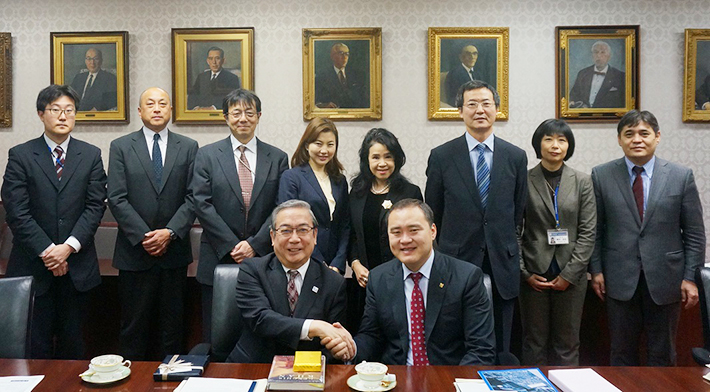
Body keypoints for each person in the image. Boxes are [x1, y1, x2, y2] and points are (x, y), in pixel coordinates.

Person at [590, 110, 705, 366]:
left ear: (657, 137)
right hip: (618, 279)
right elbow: (595, 229)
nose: (637, 140)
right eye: (629, 134)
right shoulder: (602, 175)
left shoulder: (680, 175)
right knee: (621, 352)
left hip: (667, 279)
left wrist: (690, 277)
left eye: (644, 133)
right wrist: (596, 270)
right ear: (619, 139)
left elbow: (695, 233)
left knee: (663, 353)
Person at [1, 84, 107, 358]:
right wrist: (49, 251)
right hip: (33, 267)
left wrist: (67, 248)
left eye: (69, 110)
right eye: (55, 110)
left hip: (77, 269)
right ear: (41, 114)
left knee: (76, 349)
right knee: (34, 349)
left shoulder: (91, 155)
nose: (63, 116)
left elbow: (95, 206)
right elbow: (16, 211)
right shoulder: (21, 155)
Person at [425, 80, 527, 354]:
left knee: (501, 341)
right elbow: (433, 212)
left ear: (497, 109)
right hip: (456, 259)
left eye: (486, 104)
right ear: (460, 111)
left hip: (501, 262)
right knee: (456, 337)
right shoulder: (442, 156)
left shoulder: (516, 157)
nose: (479, 110)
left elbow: (518, 211)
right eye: (472, 104)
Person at [340, 199, 495, 365]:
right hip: (396, 379)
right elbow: (371, 336)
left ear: (432, 231)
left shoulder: (466, 277)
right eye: (396, 232)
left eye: (413, 230)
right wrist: (351, 348)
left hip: (448, 377)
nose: (405, 240)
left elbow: (481, 350)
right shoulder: (379, 279)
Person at [107, 87, 198, 360]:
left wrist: (169, 233)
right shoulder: (121, 146)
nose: (157, 108)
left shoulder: (189, 147)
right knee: (134, 327)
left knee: (174, 328)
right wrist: (147, 236)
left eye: (163, 104)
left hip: (174, 254)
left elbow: (194, 196)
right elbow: (116, 197)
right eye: (150, 103)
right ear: (139, 111)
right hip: (135, 253)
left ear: (171, 110)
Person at [192, 88, 288, 342]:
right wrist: (233, 245)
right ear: (226, 117)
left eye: (249, 112)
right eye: (236, 112)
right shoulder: (207, 155)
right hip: (218, 254)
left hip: (264, 257)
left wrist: (254, 244)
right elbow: (202, 203)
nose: (242, 118)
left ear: (258, 116)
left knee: (263, 330)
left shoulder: (277, 158)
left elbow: (280, 207)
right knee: (217, 334)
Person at [227, 200, 354, 363]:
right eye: (286, 231)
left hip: (306, 371)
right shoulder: (252, 269)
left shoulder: (334, 282)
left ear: (314, 236)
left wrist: (338, 349)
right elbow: (260, 319)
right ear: (272, 237)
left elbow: (332, 342)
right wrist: (313, 327)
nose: (294, 239)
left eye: (302, 230)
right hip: (255, 366)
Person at [518, 119, 596, 366]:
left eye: (562, 140)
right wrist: (524, 273)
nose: (555, 145)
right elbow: (514, 230)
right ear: (538, 144)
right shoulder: (524, 179)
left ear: (568, 146)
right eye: (548, 139)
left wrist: (571, 274)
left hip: (571, 275)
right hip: (534, 273)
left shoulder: (582, 181)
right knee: (534, 342)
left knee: (568, 342)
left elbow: (588, 231)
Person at [346, 128, 422, 332]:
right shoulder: (357, 193)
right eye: (376, 157)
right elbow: (352, 235)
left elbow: (417, 239)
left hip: (400, 279)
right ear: (366, 160)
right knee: (368, 334)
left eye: (388, 157)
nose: (382, 163)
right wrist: (355, 265)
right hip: (364, 281)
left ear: (396, 159)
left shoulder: (409, 192)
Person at [278, 117, 350, 273]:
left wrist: (338, 262)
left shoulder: (340, 180)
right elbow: (290, 224)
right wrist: (319, 262)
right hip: (303, 260)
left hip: (335, 264)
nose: (324, 150)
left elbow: (345, 224)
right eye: (318, 144)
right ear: (306, 145)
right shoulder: (291, 177)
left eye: (330, 145)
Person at [568, 41, 625, 109]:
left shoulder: (620, 76)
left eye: (602, 52)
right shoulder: (582, 73)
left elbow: (623, 103)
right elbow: (573, 96)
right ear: (592, 55)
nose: (598, 55)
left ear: (609, 56)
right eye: (595, 52)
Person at [314, 43, 369, 108]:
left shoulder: (357, 75)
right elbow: (316, 101)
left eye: (347, 54)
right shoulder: (321, 76)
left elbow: (364, 100)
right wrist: (323, 105)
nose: (344, 57)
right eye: (341, 53)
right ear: (332, 56)